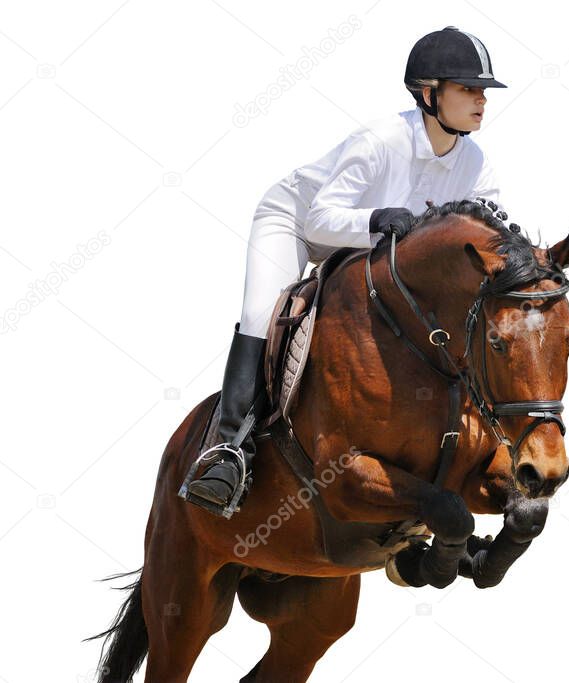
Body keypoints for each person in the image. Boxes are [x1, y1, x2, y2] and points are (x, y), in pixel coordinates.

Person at [184, 26, 508, 515]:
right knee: (261, 315)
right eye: (468, 88)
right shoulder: (381, 140)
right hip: (297, 223)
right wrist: (377, 220)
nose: (482, 99)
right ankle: (230, 451)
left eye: (483, 90)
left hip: (370, 248)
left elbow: (487, 235)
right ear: (428, 93)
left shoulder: (475, 163)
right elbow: (319, 218)